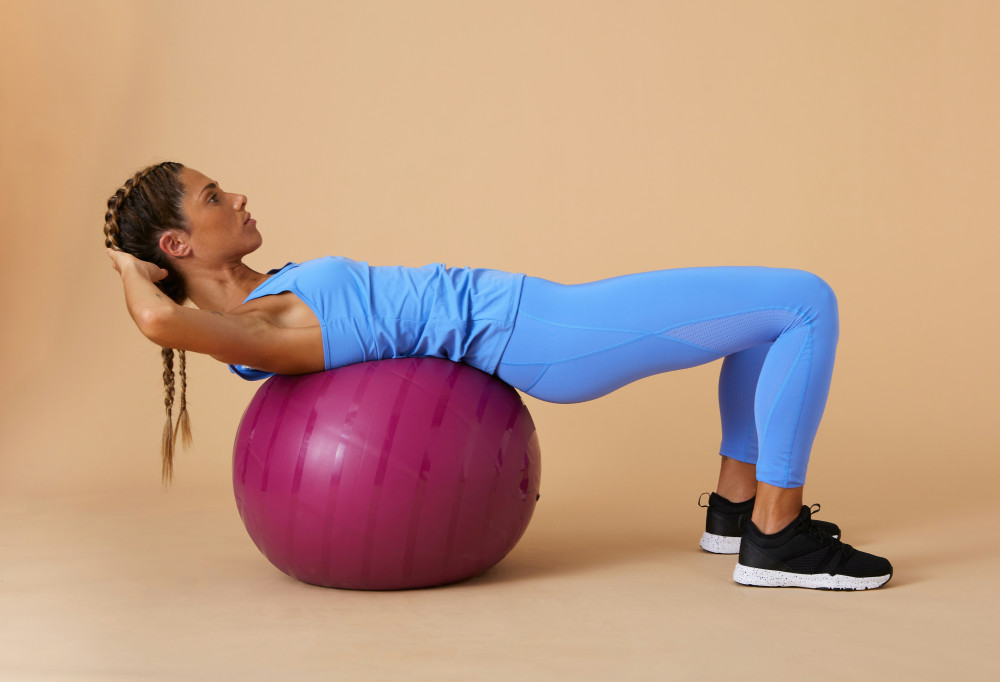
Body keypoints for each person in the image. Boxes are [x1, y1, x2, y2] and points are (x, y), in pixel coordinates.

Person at [105, 161, 893, 591]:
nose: (238, 195)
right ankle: (777, 535)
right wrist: (127, 267)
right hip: (546, 335)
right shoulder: (259, 328)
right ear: (177, 246)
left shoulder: (268, 299)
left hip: (541, 317)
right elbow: (160, 322)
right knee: (802, 303)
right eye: (213, 197)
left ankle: (736, 512)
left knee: (761, 317)